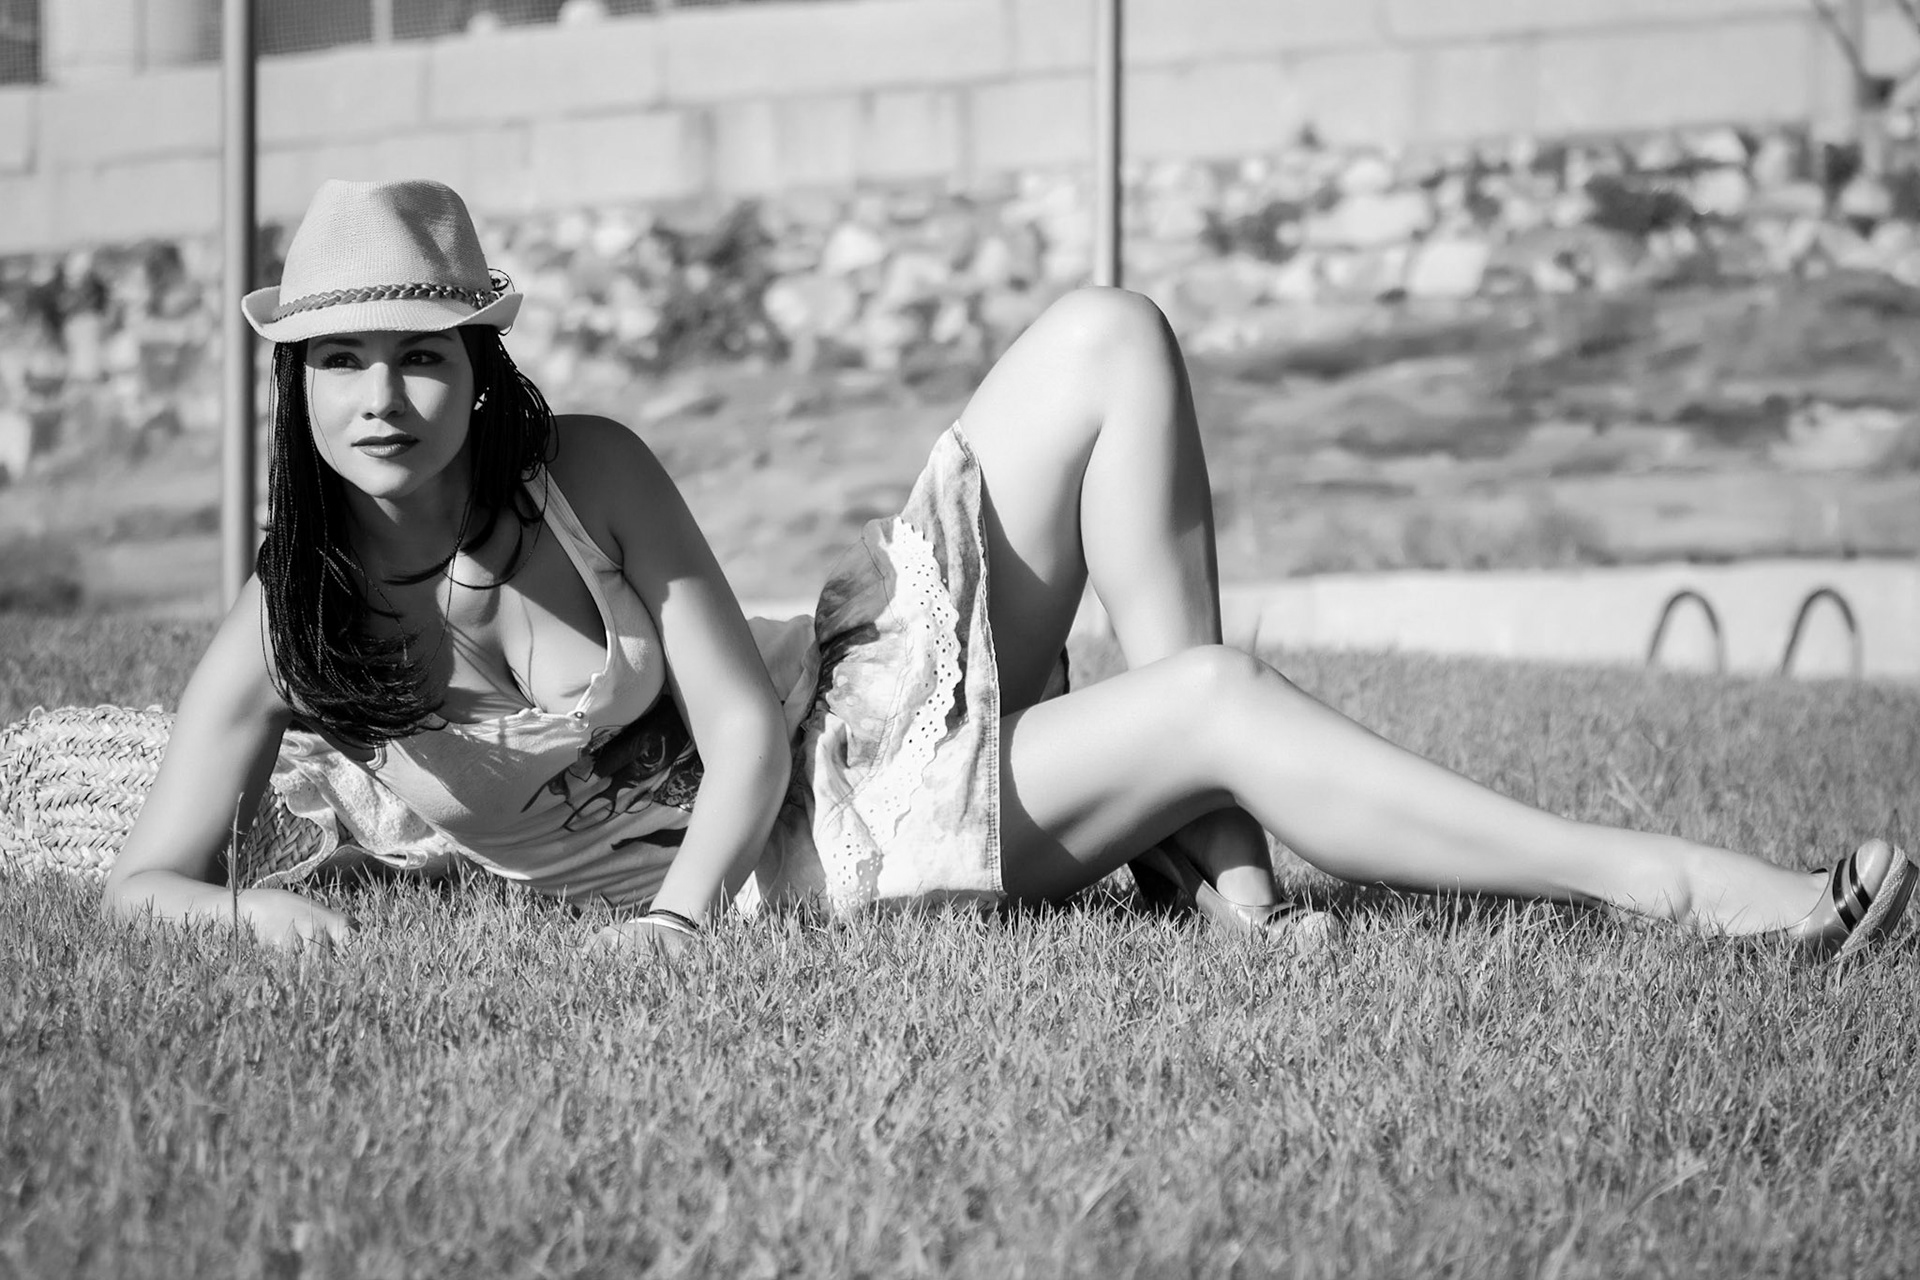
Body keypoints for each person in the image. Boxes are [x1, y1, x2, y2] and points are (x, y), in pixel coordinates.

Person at [98, 177, 1916, 961]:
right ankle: (1674, 886)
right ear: (296, 386)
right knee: (1210, 698)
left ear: (477, 362)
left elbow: (747, 731)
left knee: (1113, 333)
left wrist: (664, 929)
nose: (384, 397)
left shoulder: (584, 472)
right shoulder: (288, 624)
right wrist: (251, 913)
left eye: (421, 353)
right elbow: (141, 884)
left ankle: (1217, 865)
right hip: (823, 860)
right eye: (342, 360)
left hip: (829, 722)